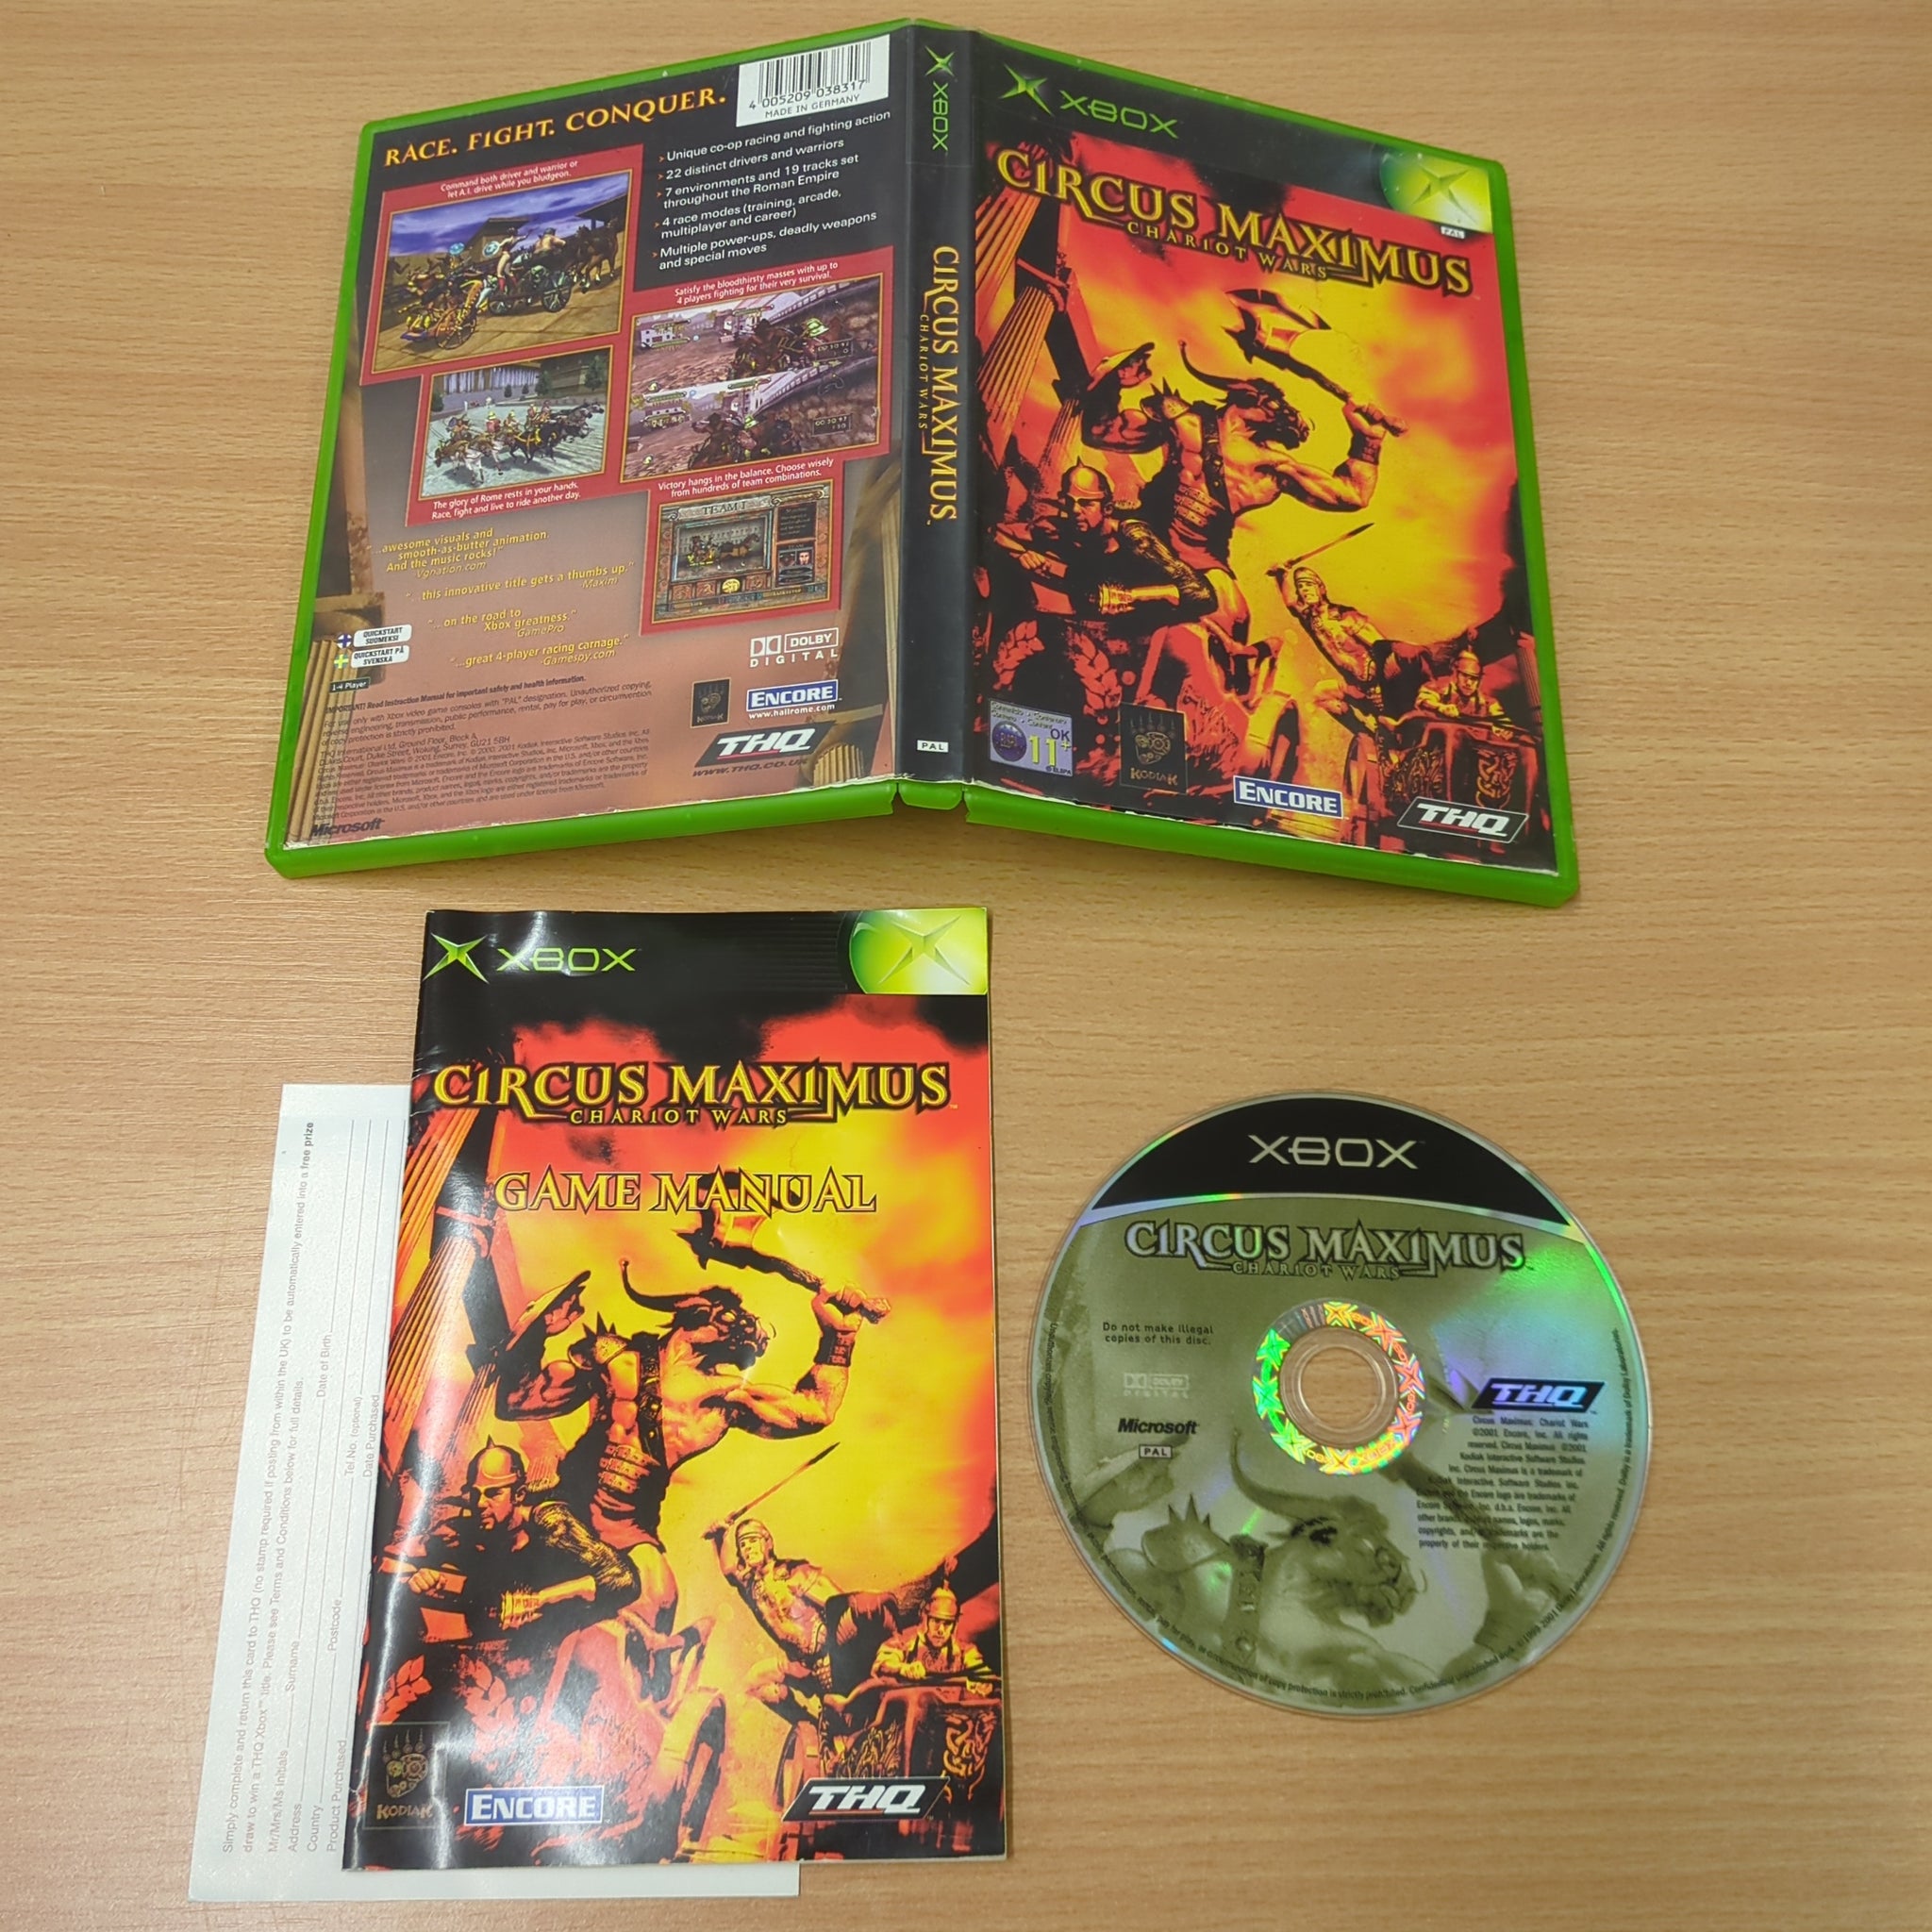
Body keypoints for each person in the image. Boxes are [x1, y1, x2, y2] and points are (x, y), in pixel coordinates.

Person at [494, 1269, 888, 1633]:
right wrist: (541, 1328)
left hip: (630, 1530)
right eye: (735, 1317)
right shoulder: (615, 1360)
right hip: (568, 1506)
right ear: (700, 1316)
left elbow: (815, 1410)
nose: (750, 1329)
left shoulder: (725, 1397)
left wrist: (839, 1338)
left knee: (660, 1601)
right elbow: (516, 1401)